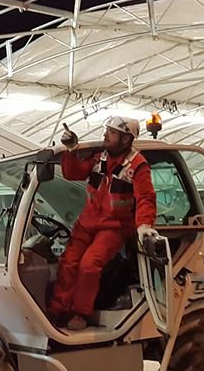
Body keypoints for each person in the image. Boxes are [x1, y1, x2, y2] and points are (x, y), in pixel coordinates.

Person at [50, 117, 157, 331]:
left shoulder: (137, 166)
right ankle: (58, 311)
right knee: (68, 261)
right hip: (87, 224)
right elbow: (73, 173)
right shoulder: (100, 157)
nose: (106, 135)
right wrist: (71, 150)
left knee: (89, 266)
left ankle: (80, 314)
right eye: (107, 130)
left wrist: (144, 226)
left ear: (126, 139)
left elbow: (145, 198)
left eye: (112, 132)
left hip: (114, 228)